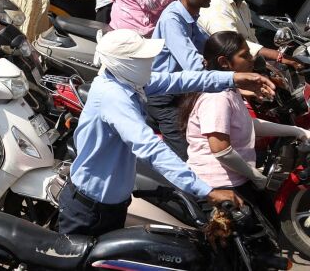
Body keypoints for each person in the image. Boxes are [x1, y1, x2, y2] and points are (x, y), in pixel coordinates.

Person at [58, 28, 273, 237]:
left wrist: (233, 78)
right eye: (143, 59)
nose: (150, 63)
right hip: (90, 209)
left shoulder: (129, 82)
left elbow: (179, 80)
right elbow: (150, 148)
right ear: (125, 63)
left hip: (112, 205)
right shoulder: (113, 96)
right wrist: (206, 190)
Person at [182, 31, 310, 231]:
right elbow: (221, 150)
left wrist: (295, 130)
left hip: (238, 178)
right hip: (220, 187)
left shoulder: (229, 88)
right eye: (244, 55)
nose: (252, 59)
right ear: (224, 62)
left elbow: (248, 124)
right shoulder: (216, 98)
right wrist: (255, 176)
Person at [143, 0, 216, 159]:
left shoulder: (190, 18)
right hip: (164, 97)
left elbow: (210, 45)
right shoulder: (172, 19)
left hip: (182, 92)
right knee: (187, 155)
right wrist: (232, 80)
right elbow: (193, 63)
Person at [199, 0, 300, 68]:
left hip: (247, 63)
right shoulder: (216, 5)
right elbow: (232, 46)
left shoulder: (242, 4)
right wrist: (280, 57)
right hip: (227, 70)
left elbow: (251, 40)